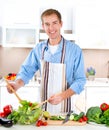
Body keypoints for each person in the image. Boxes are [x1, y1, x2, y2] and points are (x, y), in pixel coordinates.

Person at [6, 8, 86, 114]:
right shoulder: (39, 49)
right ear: (43, 26)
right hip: (43, 110)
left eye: (54, 23)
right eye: (47, 24)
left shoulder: (75, 50)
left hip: (66, 110)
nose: (51, 28)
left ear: (61, 24)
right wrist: (17, 85)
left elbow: (80, 80)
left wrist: (62, 96)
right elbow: (26, 71)